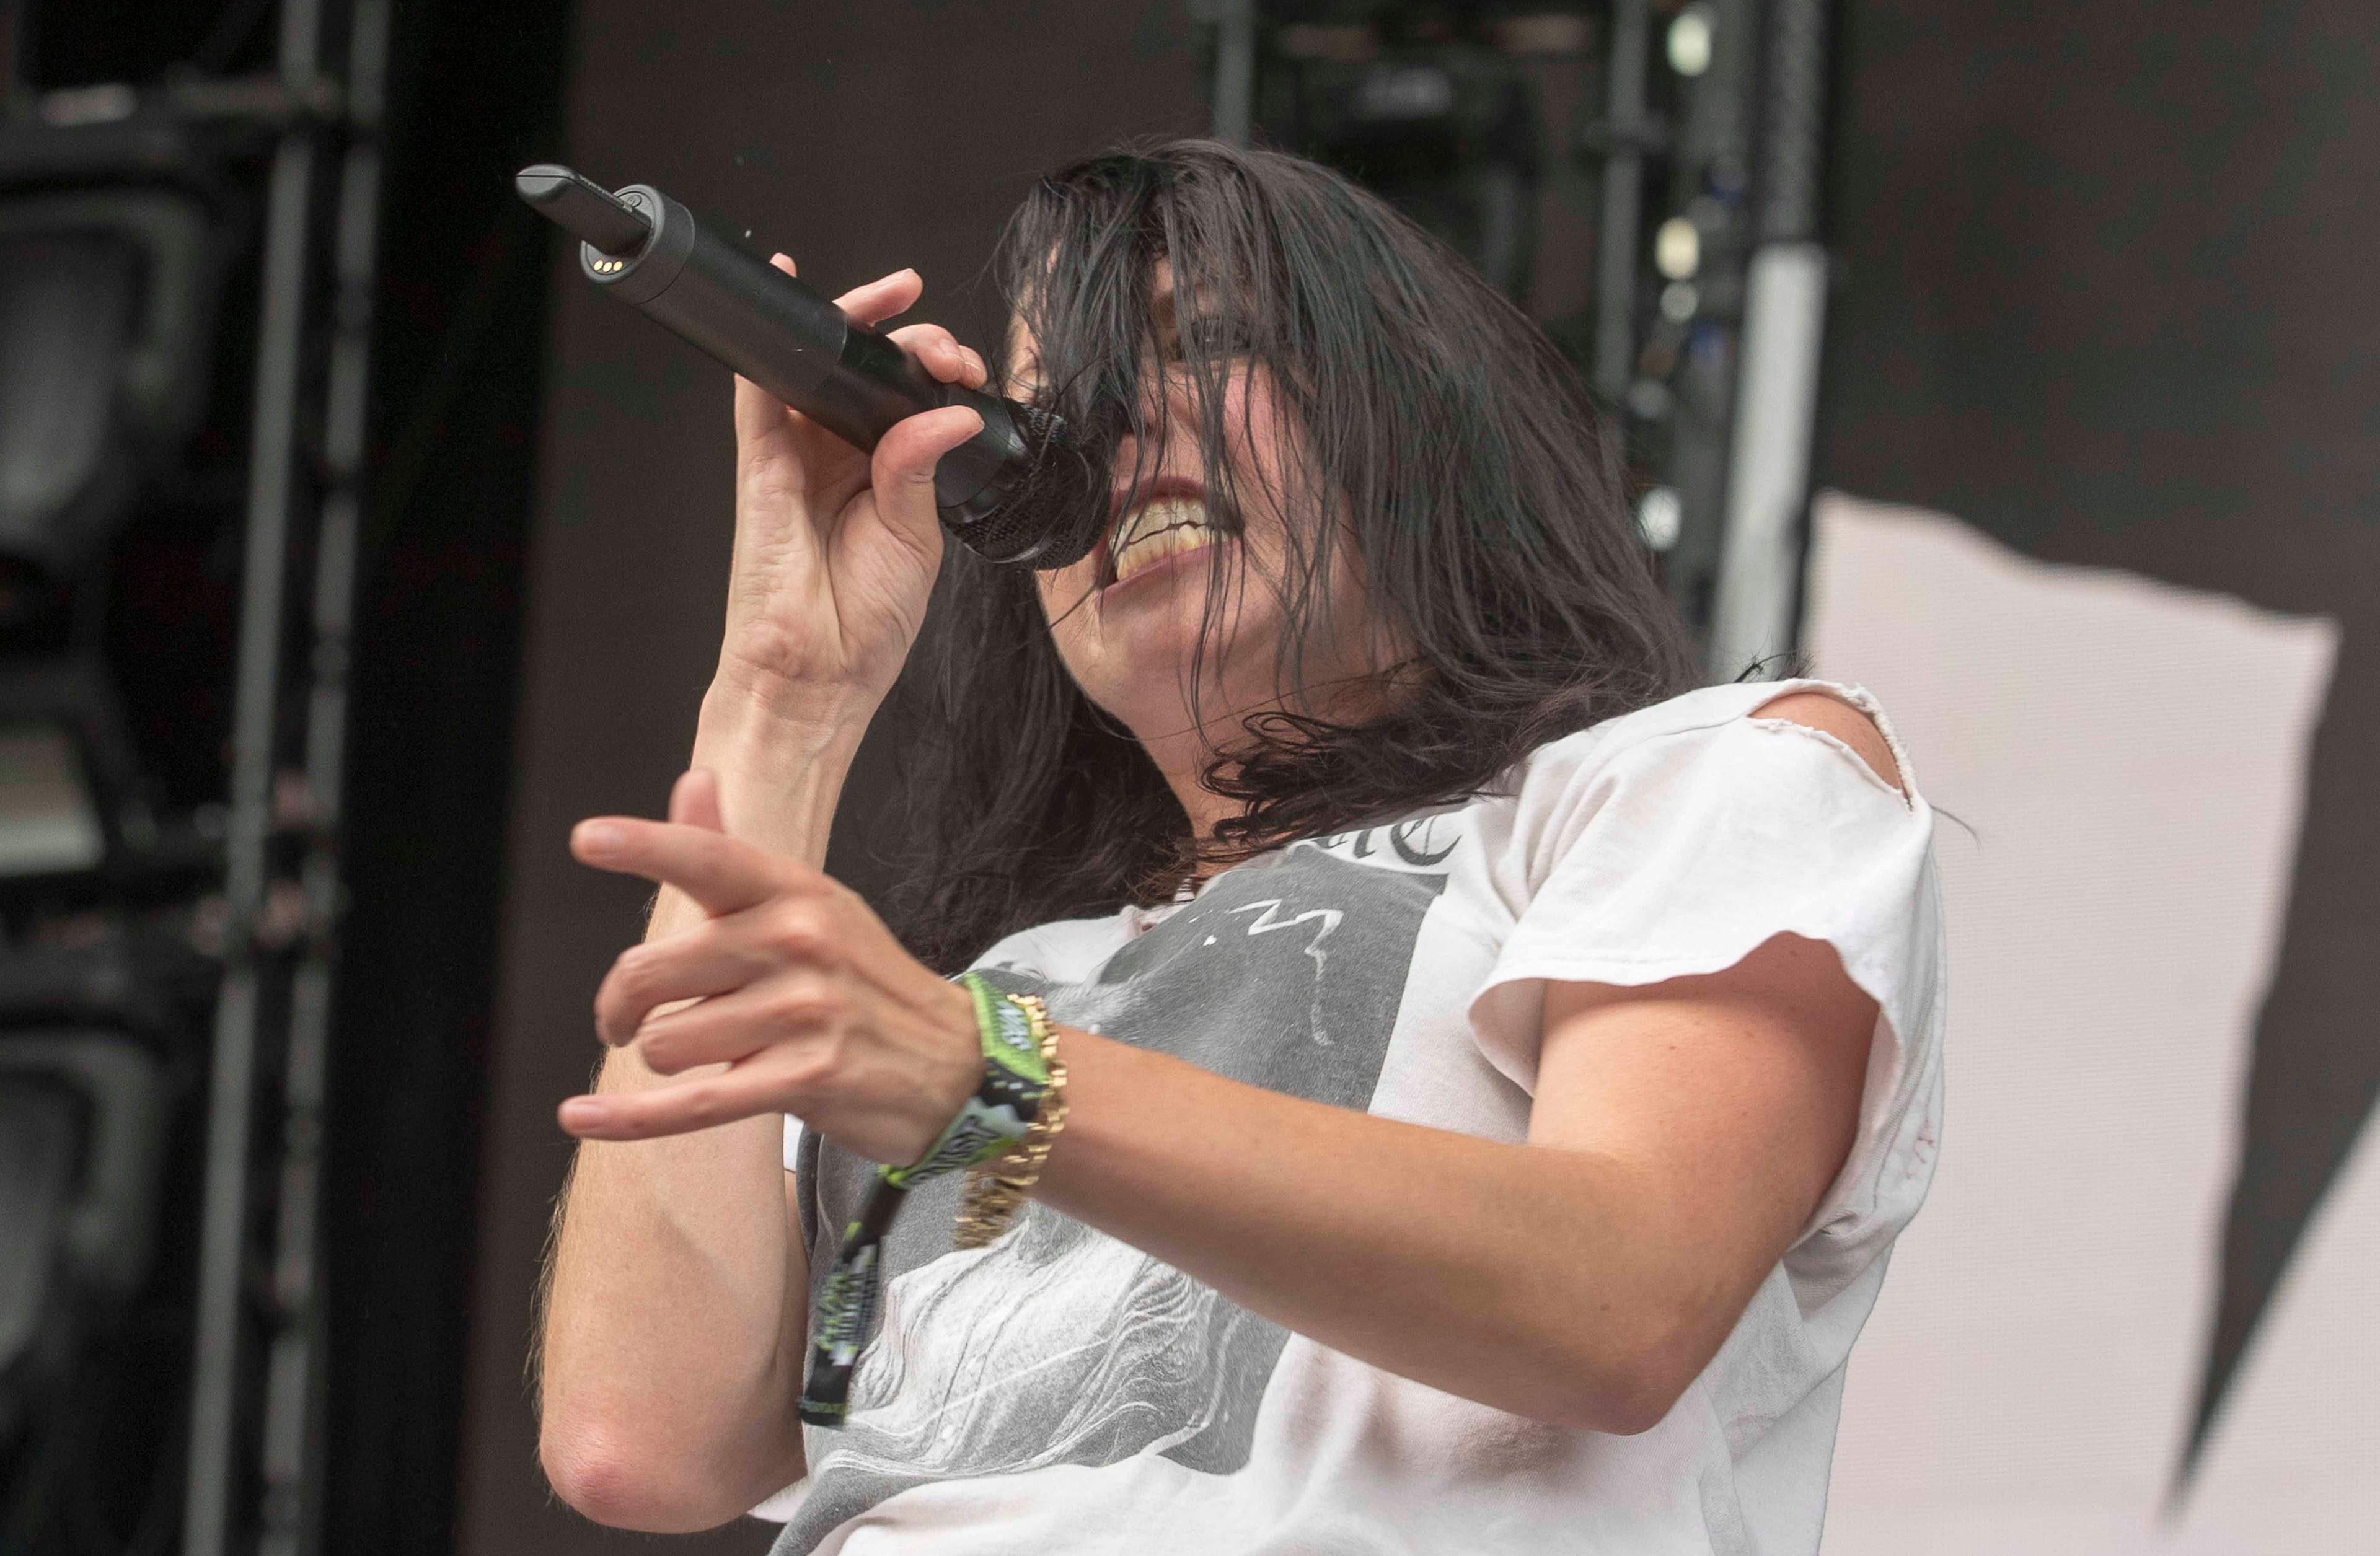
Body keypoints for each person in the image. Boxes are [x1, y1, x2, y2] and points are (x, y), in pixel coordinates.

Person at [535, 141, 1943, 1555]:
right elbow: (641, 1444)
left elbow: (1620, 1303)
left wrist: (990, 1081)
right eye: (1062, 409)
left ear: (1415, 409)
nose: (1116, 435)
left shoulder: (1698, 778)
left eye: (1205, 343)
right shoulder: (996, 987)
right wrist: (781, 699)